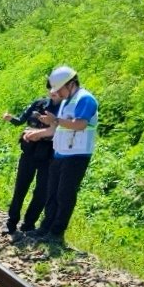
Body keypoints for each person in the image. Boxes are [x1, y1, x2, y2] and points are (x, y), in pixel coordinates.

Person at [25, 65, 98, 246]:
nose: (57, 93)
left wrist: (55, 120)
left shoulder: (85, 99)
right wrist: (39, 132)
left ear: (70, 84)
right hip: (60, 153)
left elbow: (80, 124)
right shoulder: (66, 101)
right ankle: (45, 228)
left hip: (77, 154)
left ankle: (56, 233)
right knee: (52, 193)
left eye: (59, 89)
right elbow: (58, 127)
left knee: (65, 195)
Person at [1, 79, 61, 235]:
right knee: (20, 187)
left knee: (42, 192)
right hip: (29, 152)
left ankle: (29, 224)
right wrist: (9, 118)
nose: (53, 91)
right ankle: (11, 222)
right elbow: (21, 120)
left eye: (57, 88)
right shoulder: (39, 103)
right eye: (51, 88)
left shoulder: (65, 110)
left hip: (49, 156)